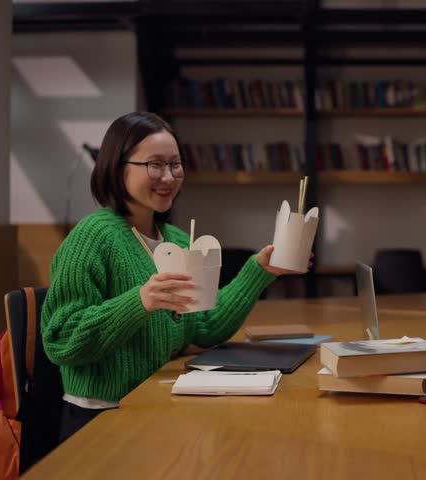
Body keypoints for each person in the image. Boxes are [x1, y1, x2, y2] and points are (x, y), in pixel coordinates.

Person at [41, 112, 307, 442]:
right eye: (155, 165)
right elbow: (60, 340)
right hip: (99, 416)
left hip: (156, 403)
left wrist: (259, 271)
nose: (168, 177)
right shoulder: (93, 236)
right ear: (117, 166)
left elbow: (206, 325)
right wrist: (139, 302)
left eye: (175, 164)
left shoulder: (178, 240)